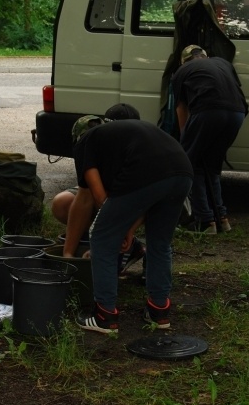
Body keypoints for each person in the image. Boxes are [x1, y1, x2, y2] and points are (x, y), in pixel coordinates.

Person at [68, 115, 193, 334]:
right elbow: (145, 200)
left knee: (101, 236)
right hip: (182, 170)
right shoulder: (121, 137)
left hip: (147, 172)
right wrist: (129, 228)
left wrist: (114, 230)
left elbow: (98, 197)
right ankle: (158, 310)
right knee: (160, 243)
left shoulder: (85, 142)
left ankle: (104, 315)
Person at [56, 103, 146, 275]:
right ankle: (92, 238)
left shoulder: (142, 149)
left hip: (141, 196)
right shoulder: (95, 139)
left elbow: (146, 198)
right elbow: (87, 195)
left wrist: (122, 233)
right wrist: (68, 253)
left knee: (158, 210)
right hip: (109, 195)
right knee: (62, 203)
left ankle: (139, 252)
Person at [171, 44, 248, 234]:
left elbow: (181, 108)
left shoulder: (181, 71)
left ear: (184, 61)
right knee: (212, 167)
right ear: (204, 56)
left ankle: (205, 221)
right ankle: (222, 219)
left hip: (209, 111)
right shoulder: (223, 63)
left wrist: (185, 139)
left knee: (192, 165)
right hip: (237, 113)